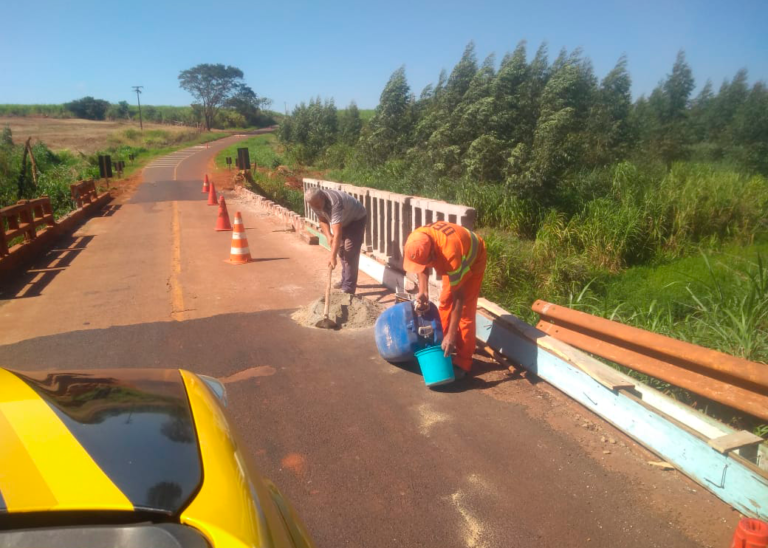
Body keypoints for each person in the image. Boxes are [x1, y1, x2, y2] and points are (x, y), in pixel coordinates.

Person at [402, 221, 487, 378]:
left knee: (465, 314)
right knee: (445, 302)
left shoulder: (451, 255)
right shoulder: (417, 239)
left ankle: (463, 361)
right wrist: (423, 292)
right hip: (453, 254)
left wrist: (452, 334)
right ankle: (441, 345)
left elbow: (459, 299)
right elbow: (422, 266)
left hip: (473, 259)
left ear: (433, 254)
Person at [305, 187, 368, 294]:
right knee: (341, 250)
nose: (316, 207)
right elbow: (322, 219)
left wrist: (332, 257)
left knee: (349, 251)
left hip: (356, 219)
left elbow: (337, 233)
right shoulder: (313, 202)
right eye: (313, 205)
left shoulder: (335, 203)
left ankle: (348, 288)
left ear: (322, 196)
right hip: (343, 220)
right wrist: (328, 236)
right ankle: (345, 280)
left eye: (317, 204)